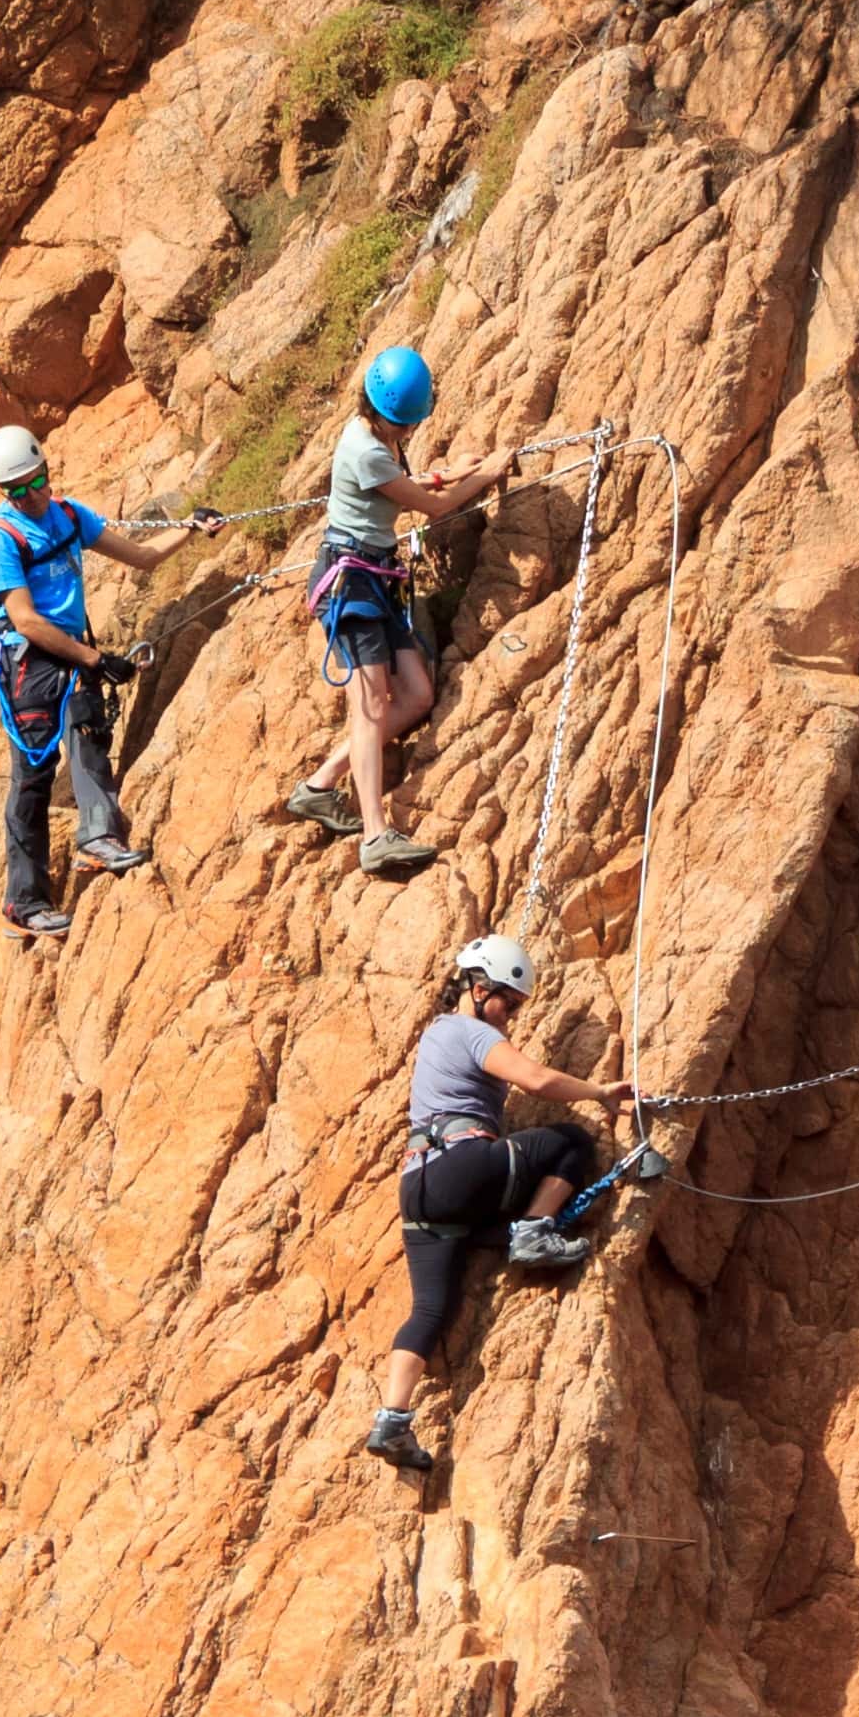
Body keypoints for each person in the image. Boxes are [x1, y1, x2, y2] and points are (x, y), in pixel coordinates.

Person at [362, 933, 632, 1473]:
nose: (510, 1017)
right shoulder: (467, 1030)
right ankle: (535, 1230)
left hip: (421, 1191)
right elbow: (534, 1079)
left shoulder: (437, 1037)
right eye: (508, 1003)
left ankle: (391, 1419)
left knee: (431, 1311)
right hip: (459, 1168)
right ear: (478, 988)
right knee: (573, 1142)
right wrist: (600, 1093)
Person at [279, 345, 495, 879]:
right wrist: (486, 474)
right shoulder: (367, 450)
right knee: (372, 704)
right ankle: (375, 835)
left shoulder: (374, 435)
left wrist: (446, 473)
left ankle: (319, 786)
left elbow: (402, 490)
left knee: (416, 694)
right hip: (351, 583)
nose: (408, 431)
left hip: (376, 579)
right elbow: (434, 508)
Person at [0, 424, 188, 942]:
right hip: (29, 662)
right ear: (4, 493)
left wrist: (193, 528)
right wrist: (93, 659)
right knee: (32, 777)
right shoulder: (0, 541)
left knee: (89, 734)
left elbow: (142, 556)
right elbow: (25, 619)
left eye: (37, 480)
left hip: (69, 650)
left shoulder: (68, 515)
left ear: (47, 468)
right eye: (18, 490)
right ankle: (24, 904)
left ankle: (98, 837)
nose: (32, 495)